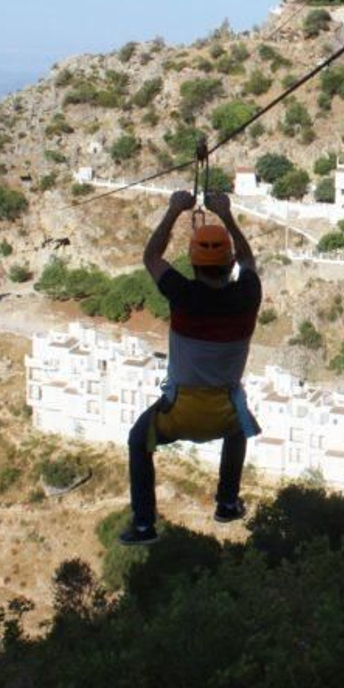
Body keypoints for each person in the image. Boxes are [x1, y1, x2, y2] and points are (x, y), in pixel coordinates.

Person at [120, 189, 262, 545]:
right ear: (228, 264)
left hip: (179, 412)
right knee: (239, 425)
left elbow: (151, 256)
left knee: (139, 441)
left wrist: (174, 211)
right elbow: (248, 260)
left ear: (194, 265)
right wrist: (226, 215)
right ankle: (227, 502)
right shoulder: (248, 295)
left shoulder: (182, 295)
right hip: (224, 412)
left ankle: (143, 524)